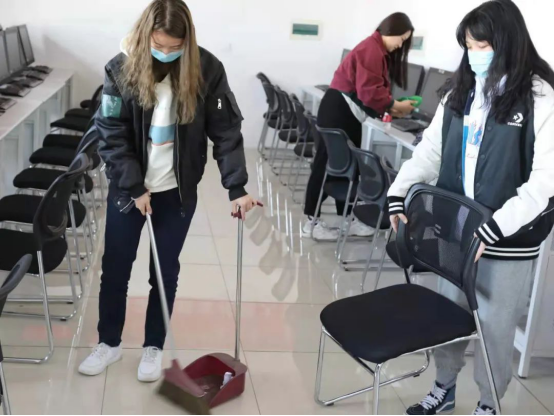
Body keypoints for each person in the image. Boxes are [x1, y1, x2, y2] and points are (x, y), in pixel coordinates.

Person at [387, 1, 554, 415]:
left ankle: (488, 402)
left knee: (494, 327)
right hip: (457, 229)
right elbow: (431, 151)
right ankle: (443, 388)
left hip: (506, 238)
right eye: (469, 45)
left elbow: (545, 181)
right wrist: (398, 191)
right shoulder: (461, 90)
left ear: (508, 43)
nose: (475, 53)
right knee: (450, 314)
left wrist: (496, 227)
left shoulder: (539, 96)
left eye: (483, 45)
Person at [78, 0, 258, 382]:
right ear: (146, 36)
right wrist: (133, 186)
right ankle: (108, 343)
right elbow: (110, 133)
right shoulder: (120, 68)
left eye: (176, 47)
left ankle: (153, 346)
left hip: (177, 191)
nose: (167, 52)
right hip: (130, 191)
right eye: (159, 45)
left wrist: (237, 187)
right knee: (115, 268)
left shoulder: (207, 69)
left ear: (187, 42)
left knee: (164, 272)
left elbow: (226, 131)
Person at [302, 12, 417, 241]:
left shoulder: (374, 49)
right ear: (391, 31)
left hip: (340, 111)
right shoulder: (371, 50)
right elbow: (369, 91)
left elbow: (369, 91)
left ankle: (347, 218)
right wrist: (395, 106)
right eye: (401, 39)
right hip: (340, 113)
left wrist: (391, 108)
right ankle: (311, 223)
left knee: (344, 168)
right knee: (328, 167)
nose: (400, 45)